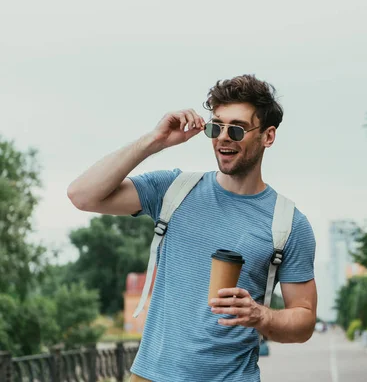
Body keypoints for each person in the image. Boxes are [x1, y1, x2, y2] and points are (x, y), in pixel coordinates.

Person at [67, 74, 318, 381]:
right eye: (216, 126)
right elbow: (82, 195)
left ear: (267, 136)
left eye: (236, 129)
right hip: (149, 376)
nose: (223, 137)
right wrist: (154, 141)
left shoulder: (289, 223)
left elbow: (303, 321)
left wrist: (260, 315)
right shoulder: (174, 190)